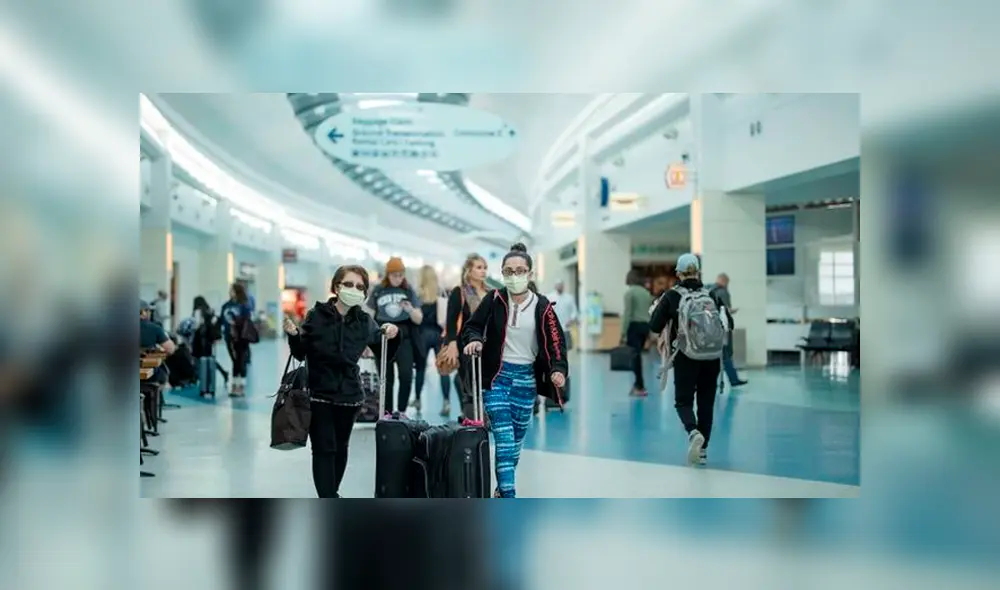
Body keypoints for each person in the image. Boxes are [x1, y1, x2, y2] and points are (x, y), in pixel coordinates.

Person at [462, 243, 568, 498]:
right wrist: (474, 339)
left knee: (516, 443)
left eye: (520, 270)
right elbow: (472, 326)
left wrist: (558, 369)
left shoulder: (543, 306)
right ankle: (509, 496)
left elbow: (556, 343)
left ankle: (501, 489)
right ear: (502, 274)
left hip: (526, 381)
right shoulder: (495, 299)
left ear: (530, 274)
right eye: (508, 271)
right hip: (497, 379)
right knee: (505, 440)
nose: (514, 275)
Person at [284, 265, 400, 498]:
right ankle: (328, 497)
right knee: (323, 448)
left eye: (359, 286)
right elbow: (300, 352)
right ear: (337, 286)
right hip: (319, 394)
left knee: (339, 448)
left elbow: (384, 350)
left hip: (349, 396)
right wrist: (294, 335)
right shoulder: (317, 316)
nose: (353, 289)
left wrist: (392, 333)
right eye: (348, 284)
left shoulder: (364, 321)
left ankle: (331, 493)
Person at [649, 254, 733, 466]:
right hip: (712, 357)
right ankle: (702, 452)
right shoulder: (712, 294)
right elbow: (728, 322)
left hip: (686, 355)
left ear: (678, 273)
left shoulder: (672, 296)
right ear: (698, 272)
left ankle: (693, 431)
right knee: (706, 403)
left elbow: (654, 326)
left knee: (683, 401)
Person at [367, 257, 423, 413]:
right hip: (383, 338)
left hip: (404, 337)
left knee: (406, 375)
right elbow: (370, 315)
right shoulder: (378, 290)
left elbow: (419, 319)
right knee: (386, 378)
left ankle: (402, 411)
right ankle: (388, 412)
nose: (398, 279)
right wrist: (367, 340)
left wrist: (410, 309)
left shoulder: (408, 290)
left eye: (400, 275)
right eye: (394, 275)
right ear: (388, 274)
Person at [441, 253, 489, 419]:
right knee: (468, 380)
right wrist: (452, 344)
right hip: (465, 345)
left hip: (487, 345)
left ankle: (481, 414)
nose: (483, 271)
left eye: (484, 268)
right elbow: (451, 321)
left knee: (484, 381)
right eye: (479, 267)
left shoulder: (490, 292)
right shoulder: (460, 292)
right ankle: (470, 414)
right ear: (469, 271)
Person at [413, 265, 449, 414]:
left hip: (422, 335)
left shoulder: (418, 295)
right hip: (439, 334)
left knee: (420, 369)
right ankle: (446, 402)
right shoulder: (441, 293)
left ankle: (417, 400)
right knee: (443, 370)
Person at [710, 273, 748, 388]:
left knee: (718, 356)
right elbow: (725, 310)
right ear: (724, 281)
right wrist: (733, 311)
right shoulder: (723, 292)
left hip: (712, 329)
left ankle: (716, 381)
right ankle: (733, 380)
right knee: (725, 355)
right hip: (722, 329)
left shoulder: (710, 291)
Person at [622, 269, 654, 396]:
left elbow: (627, 313)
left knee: (635, 357)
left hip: (634, 326)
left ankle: (639, 385)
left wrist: (623, 332)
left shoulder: (629, 293)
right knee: (638, 354)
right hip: (645, 326)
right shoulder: (646, 293)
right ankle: (638, 384)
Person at [221, 283, 254, 397]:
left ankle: (241, 387)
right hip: (228, 337)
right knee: (234, 361)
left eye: (232, 290)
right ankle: (235, 385)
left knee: (241, 361)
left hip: (241, 338)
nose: (230, 292)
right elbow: (222, 319)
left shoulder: (244, 305)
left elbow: (247, 320)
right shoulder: (226, 305)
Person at [189, 295, 229, 389]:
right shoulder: (209, 311)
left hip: (199, 340)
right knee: (209, 359)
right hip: (208, 340)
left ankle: (199, 377)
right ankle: (222, 373)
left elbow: (196, 325)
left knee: (198, 358)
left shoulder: (198, 312)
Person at [140, 300, 176, 386]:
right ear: (143, 312)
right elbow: (170, 349)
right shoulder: (154, 328)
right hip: (149, 375)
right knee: (161, 373)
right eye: (148, 311)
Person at [545, 280, 578, 351]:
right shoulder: (550, 297)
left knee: (565, 348)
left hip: (566, 328)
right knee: (554, 348)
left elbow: (574, 311)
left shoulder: (569, 297)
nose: (559, 287)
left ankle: (564, 361)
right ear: (555, 286)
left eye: (561, 285)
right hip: (553, 328)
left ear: (563, 286)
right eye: (558, 285)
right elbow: (546, 311)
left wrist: (571, 320)